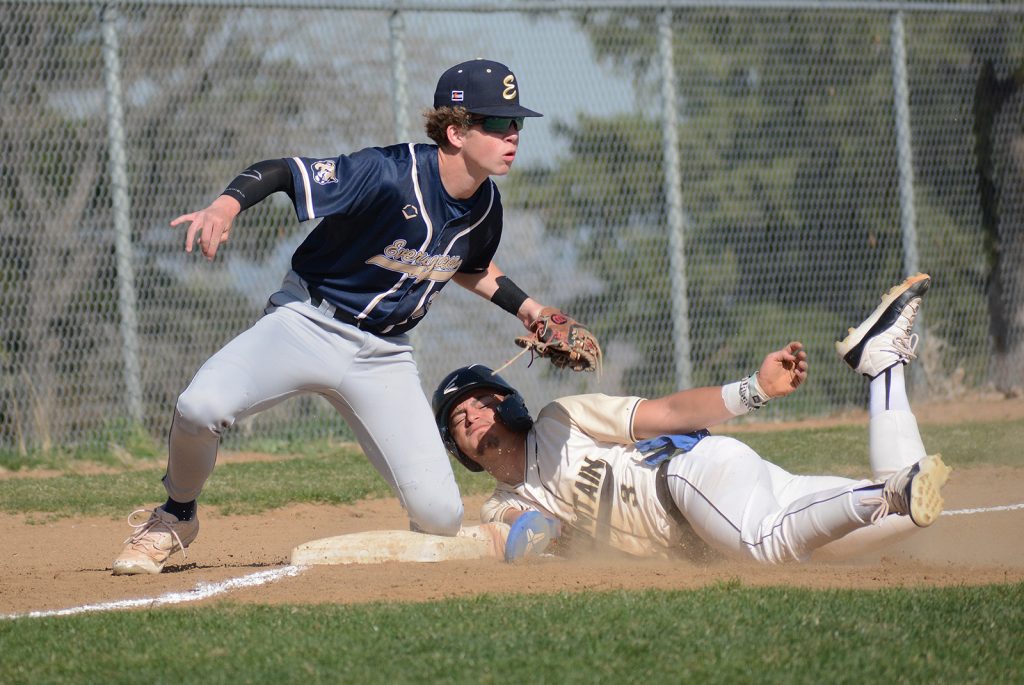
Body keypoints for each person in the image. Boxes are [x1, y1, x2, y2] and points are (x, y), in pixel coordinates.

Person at [113, 59, 586, 575]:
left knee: (441, 517)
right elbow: (283, 171)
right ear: (455, 130)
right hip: (307, 324)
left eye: (515, 123)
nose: (512, 134)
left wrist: (531, 309)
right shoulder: (386, 172)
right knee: (199, 407)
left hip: (383, 356)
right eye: (496, 123)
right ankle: (175, 516)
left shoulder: (485, 205)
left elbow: (464, 264)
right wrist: (225, 207)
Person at [432, 274, 951, 564]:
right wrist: (533, 530)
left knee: (766, 545)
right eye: (460, 418)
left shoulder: (559, 421)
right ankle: (883, 364)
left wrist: (752, 389)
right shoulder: (502, 503)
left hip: (687, 479)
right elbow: (519, 535)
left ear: (510, 404)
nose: (474, 415)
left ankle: (890, 490)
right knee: (906, 520)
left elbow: (669, 413)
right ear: (460, 451)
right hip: (709, 524)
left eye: (481, 402)